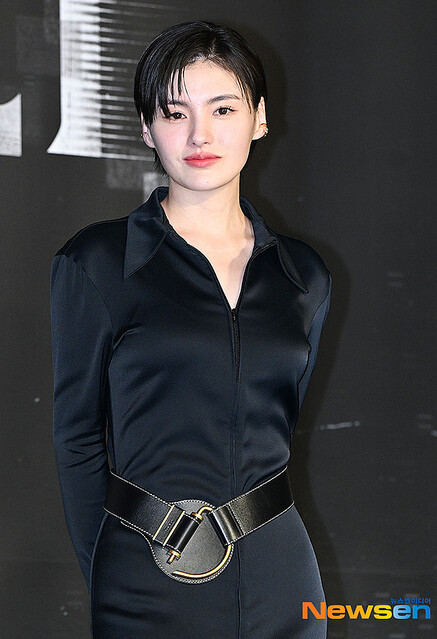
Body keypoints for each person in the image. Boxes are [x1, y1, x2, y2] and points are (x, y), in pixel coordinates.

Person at [50, 20, 332, 639]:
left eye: (223, 109)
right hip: (142, 583)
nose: (200, 134)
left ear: (259, 118)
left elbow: (281, 425)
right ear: (147, 129)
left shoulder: (303, 275)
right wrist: (109, 575)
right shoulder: (98, 261)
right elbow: (77, 440)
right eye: (175, 114)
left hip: (282, 579)